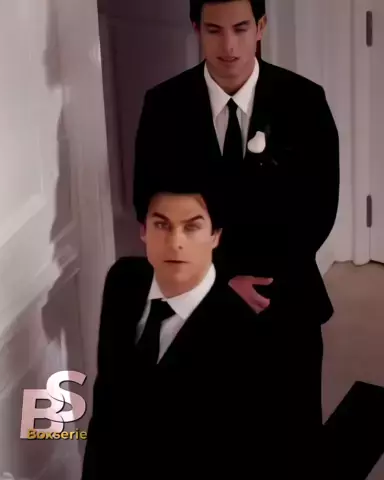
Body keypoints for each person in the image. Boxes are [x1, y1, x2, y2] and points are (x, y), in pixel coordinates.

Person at [133, 0, 340, 469]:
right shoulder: (163, 105)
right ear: (196, 28)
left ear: (261, 26)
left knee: (294, 443)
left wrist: (261, 282)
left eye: (241, 28)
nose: (228, 46)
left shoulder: (305, 100)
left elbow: (319, 210)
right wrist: (220, 283)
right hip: (198, 306)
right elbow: (150, 210)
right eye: (214, 30)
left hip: (285, 297)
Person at [81, 169, 290, 479]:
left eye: (191, 227)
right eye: (161, 225)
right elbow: (106, 410)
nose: (175, 242)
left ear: (216, 235)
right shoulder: (123, 281)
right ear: (144, 230)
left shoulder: (248, 337)